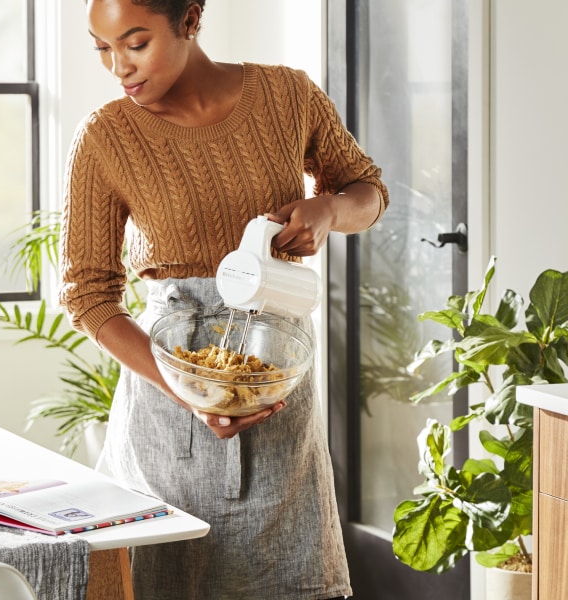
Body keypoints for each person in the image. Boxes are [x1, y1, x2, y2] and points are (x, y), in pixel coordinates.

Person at [58, 1, 388, 598]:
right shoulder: (105, 136)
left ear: (189, 20)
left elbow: (367, 192)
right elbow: (87, 294)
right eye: (102, 49)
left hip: (276, 376)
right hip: (168, 397)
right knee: (168, 578)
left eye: (135, 44)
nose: (119, 67)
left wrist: (328, 209)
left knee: (290, 575)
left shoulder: (288, 96)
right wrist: (188, 389)